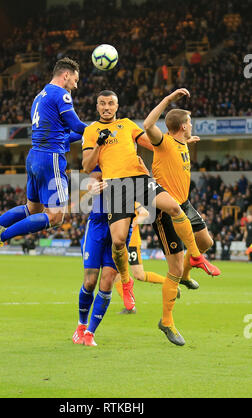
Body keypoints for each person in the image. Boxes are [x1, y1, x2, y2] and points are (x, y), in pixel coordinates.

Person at [82, 89, 220, 346]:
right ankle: (126, 279)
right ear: (97, 106)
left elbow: (152, 142)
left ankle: (195, 260)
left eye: (111, 103)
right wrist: (100, 144)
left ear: (117, 105)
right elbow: (87, 166)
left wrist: (179, 142)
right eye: (102, 103)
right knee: (119, 241)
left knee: (173, 207)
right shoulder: (91, 132)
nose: (106, 107)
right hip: (116, 187)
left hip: (139, 179)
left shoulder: (127, 125)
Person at [0, 57, 87, 258]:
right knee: (55, 216)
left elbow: (68, 134)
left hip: (34, 156)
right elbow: (78, 126)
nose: (75, 86)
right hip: (50, 159)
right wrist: (100, 129)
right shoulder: (61, 94)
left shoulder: (39, 96)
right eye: (75, 80)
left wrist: (92, 134)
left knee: (32, 208)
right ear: (66, 75)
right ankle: (2, 236)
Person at [143, 87, 221, 345]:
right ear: (182, 125)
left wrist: (188, 142)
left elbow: (179, 151)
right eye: (189, 122)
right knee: (174, 267)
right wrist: (167, 99)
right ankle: (166, 321)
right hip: (165, 210)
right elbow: (147, 124)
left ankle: (189, 272)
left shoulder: (181, 142)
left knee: (206, 242)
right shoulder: (162, 141)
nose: (191, 125)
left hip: (184, 204)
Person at [72, 167, 132, 347]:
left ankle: (90, 332)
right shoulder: (103, 162)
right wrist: (92, 188)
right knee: (90, 282)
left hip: (121, 226)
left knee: (107, 282)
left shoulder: (131, 163)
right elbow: (89, 184)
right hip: (98, 225)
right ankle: (81, 325)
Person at [115, 202, 181, 314]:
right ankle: (130, 307)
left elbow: (144, 213)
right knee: (116, 274)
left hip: (131, 243)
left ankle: (170, 283)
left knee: (138, 275)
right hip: (120, 242)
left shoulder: (132, 201)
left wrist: (132, 224)